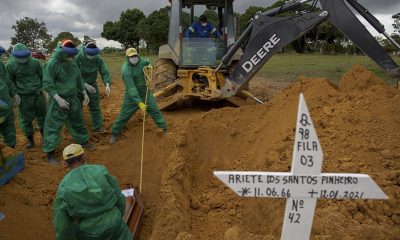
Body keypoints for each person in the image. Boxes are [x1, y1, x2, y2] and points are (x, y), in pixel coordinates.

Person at [53, 143, 132, 240]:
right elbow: (119, 196)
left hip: (88, 232)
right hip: (114, 222)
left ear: (65, 164)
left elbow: (62, 222)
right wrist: (117, 215)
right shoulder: (100, 170)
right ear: (84, 157)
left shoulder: (63, 186)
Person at [43, 40, 94, 164]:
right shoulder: (52, 64)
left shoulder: (72, 63)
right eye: (69, 55)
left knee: (78, 121)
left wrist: (84, 92)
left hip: (73, 98)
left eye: (73, 55)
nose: (71, 57)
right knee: (53, 126)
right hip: (58, 101)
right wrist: (58, 98)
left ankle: (83, 141)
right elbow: (47, 83)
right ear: (62, 52)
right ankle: (50, 152)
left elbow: (78, 78)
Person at [110, 48, 167, 144]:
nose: (134, 58)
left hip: (145, 93)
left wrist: (149, 66)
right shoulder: (126, 70)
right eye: (131, 56)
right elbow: (131, 88)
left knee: (154, 110)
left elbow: (148, 62)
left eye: (135, 56)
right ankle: (114, 133)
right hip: (131, 97)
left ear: (138, 55)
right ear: (127, 58)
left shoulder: (142, 61)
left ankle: (163, 128)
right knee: (124, 115)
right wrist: (139, 102)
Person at [6, 43, 47, 149]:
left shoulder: (35, 62)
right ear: (15, 56)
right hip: (23, 97)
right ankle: (31, 141)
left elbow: (43, 76)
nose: (22, 59)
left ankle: (45, 138)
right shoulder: (10, 65)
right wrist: (14, 94)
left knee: (43, 116)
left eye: (24, 56)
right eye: (19, 57)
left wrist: (43, 89)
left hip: (37, 94)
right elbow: (9, 82)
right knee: (25, 119)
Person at [75, 42, 111, 133]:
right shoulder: (77, 57)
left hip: (92, 84)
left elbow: (104, 71)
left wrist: (107, 84)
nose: (91, 57)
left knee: (95, 106)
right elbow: (75, 74)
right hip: (78, 85)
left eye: (93, 55)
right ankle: (79, 129)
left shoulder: (98, 59)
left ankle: (97, 126)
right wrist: (85, 85)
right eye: (90, 55)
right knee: (77, 108)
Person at [0, 46, 20, 148]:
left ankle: (11, 149)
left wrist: (13, 93)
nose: (1, 57)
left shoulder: (1, 66)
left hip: (6, 104)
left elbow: (7, 81)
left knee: (9, 129)